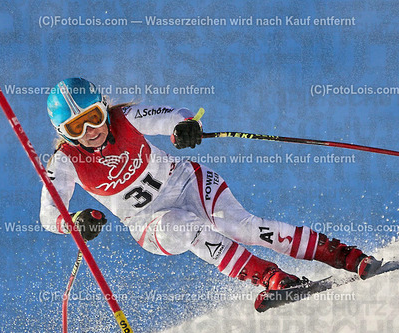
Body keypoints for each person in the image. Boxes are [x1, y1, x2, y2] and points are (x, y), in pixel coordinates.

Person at [40, 78, 380, 309]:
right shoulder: (66, 161)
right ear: (64, 133)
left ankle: (345, 256)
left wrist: (185, 126)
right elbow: (49, 215)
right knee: (180, 227)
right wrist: (74, 221)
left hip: (186, 183)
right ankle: (273, 278)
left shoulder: (124, 118)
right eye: (76, 127)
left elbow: (171, 116)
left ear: (103, 108)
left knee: (242, 226)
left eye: (94, 117)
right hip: (148, 223)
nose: (91, 130)